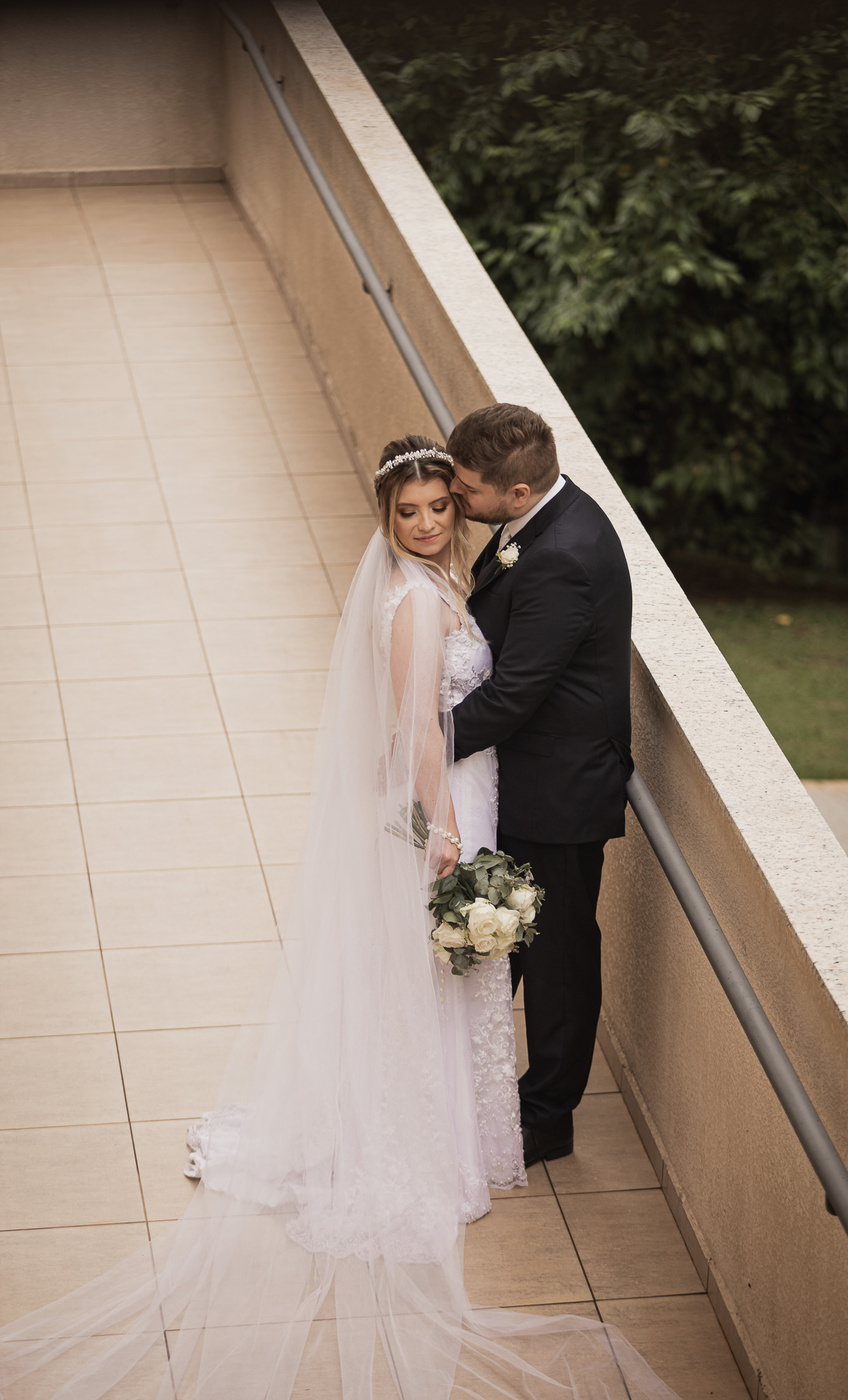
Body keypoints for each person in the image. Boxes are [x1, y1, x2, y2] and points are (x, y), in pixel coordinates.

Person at [0, 437, 677, 1400]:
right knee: (436, 967)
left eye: (442, 504)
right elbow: (421, 728)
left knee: (452, 968)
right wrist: (441, 826)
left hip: (475, 791)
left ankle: (451, 1124)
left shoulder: (448, 578)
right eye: (411, 511)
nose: (432, 521)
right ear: (385, 517)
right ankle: (416, 1137)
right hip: (448, 803)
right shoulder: (415, 601)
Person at [447, 403, 634, 1169]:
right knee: (500, 943)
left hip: (559, 793)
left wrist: (420, 746)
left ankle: (547, 1117)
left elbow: (515, 692)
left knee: (558, 961)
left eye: (465, 489)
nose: (455, 497)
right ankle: (484, 1094)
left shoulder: (564, 555)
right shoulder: (536, 520)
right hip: (522, 776)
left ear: (517, 492)